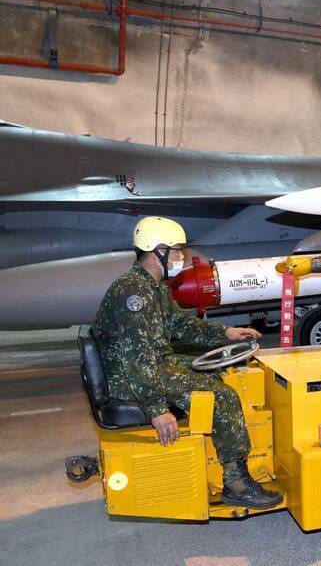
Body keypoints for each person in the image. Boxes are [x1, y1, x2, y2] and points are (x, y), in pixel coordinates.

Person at [93, 216, 282, 509]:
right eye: (178, 251)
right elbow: (137, 356)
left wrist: (226, 333)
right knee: (224, 397)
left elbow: (181, 325)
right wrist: (156, 410)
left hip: (151, 365)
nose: (182, 257)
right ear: (158, 252)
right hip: (132, 377)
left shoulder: (152, 288)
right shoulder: (134, 293)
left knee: (216, 375)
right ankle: (236, 483)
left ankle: (217, 456)